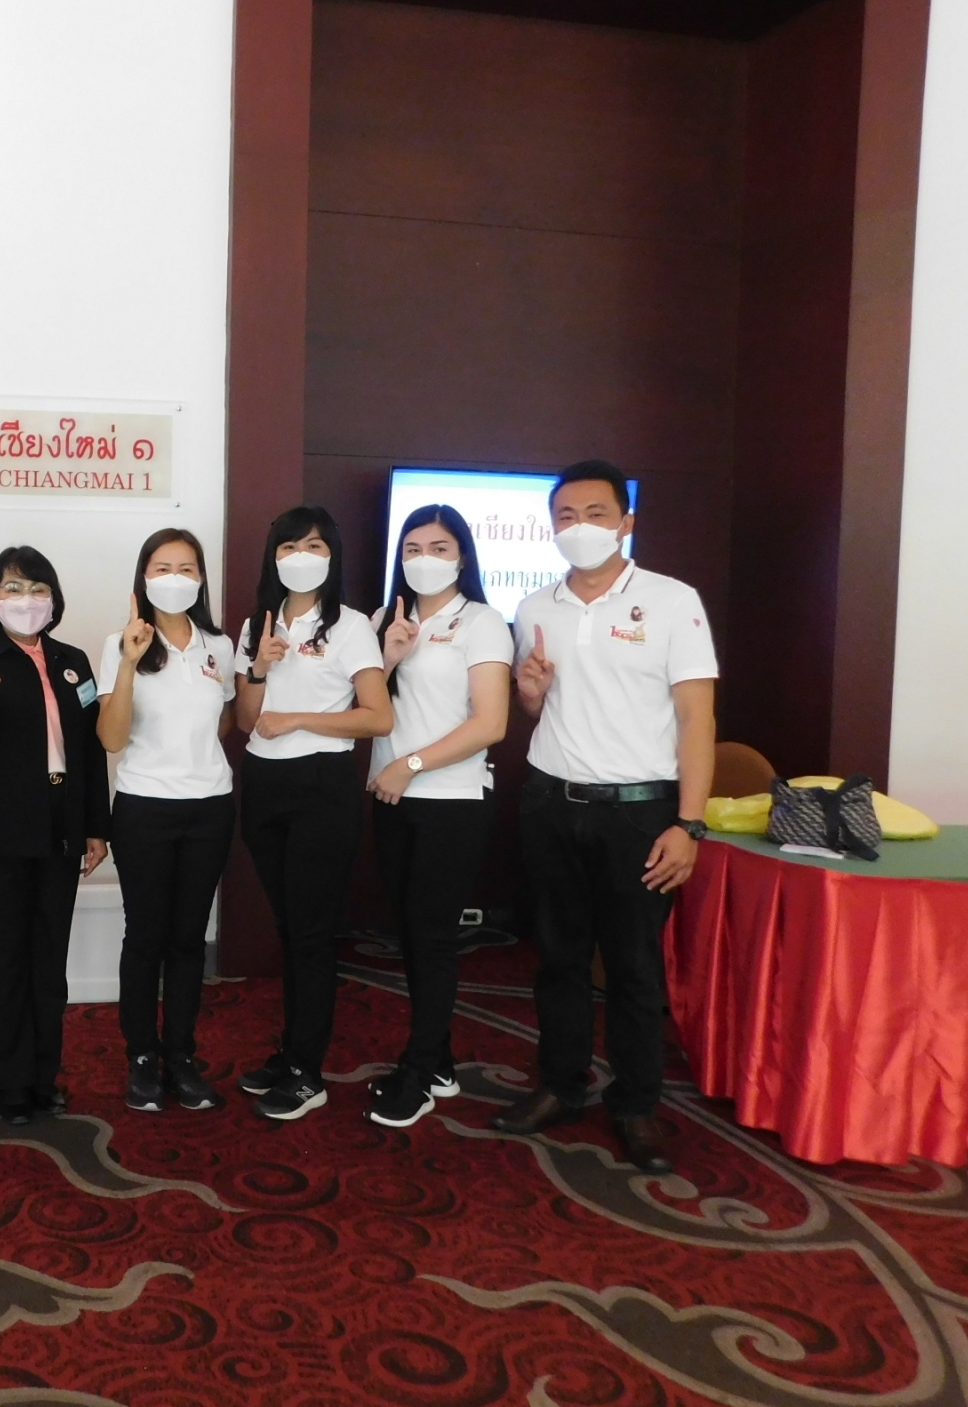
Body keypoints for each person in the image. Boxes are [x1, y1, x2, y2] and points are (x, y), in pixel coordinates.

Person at [495, 459, 716, 1174]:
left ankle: (636, 1103)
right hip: (551, 801)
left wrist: (689, 824)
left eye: (595, 513)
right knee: (557, 956)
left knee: (633, 964)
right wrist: (531, 694)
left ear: (626, 522)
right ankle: (561, 1085)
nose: (580, 527)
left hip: (640, 813)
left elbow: (698, 720)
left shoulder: (672, 601)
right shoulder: (535, 606)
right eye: (566, 516)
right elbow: (536, 709)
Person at [0, 546, 109, 1126]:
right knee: (2, 959)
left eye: (37, 588)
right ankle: (10, 1081)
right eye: (12, 588)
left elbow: (89, 749)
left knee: (48, 959)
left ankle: (43, 1075)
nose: (26, 599)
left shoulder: (73, 660)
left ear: (53, 599)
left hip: (61, 826)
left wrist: (96, 826)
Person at [233, 506, 394, 1121]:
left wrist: (299, 718)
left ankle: (307, 1071)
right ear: (273, 556)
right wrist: (260, 667)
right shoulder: (257, 624)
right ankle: (291, 1052)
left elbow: (378, 716)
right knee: (289, 927)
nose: (301, 556)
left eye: (315, 546)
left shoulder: (350, 625)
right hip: (264, 783)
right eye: (290, 546)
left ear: (333, 556)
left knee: (311, 932)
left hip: (322, 785)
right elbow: (246, 720)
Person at [363, 506, 511, 1128]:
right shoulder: (384, 619)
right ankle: (440, 1058)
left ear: (462, 557)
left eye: (440, 548)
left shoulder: (482, 622)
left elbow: (491, 723)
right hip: (391, 797)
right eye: (413, 548)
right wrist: (388, 656)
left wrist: (412, 764)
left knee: (432, 935)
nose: (425, 559)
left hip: (451, 800)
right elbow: (361, 705)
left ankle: (420, 1071)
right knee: (411, 932)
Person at [96, 528, 238, 1112]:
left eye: (186, 568)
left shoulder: (219, 645)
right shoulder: (120, 644)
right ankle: (142, 1056)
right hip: (143, 807)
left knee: (188, 938)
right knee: (145, 937)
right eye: (162, 567)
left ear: (201, 578)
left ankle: (181, 1053)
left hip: (210, 806)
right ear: (144, 577)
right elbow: (111, 738)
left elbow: (224, 721)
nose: (174, 578)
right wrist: (129, 664)